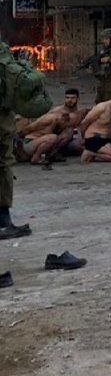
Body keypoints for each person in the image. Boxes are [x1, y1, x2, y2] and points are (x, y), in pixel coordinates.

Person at [0, 41, 51, 237]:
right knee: (3, 168)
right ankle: (3, 223)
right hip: (2, 123)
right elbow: (28, 84)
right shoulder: (5, 61)